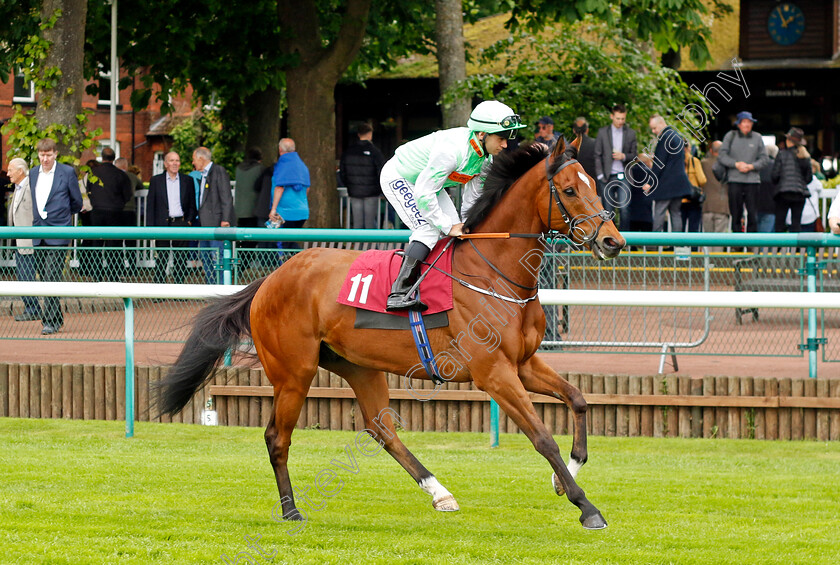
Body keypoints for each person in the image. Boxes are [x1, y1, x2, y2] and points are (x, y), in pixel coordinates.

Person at [379, 99, 526, 311]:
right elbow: (423, 191)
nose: (505, 145)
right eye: (502, 138)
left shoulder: (485, 160)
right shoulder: (451, 151)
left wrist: (467, 226)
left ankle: (439, 285)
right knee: (428, 229)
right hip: (400, 177)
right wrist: (446, 226)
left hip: (428, 185)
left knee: (457, 228)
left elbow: (472, 199)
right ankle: (399, 292)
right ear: (482, 134)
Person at [29, 137, 83, 335]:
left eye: (48, 155)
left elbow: (76, 202)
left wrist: (63, 216)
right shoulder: (33, 172)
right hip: (39, 231)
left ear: (55, 154)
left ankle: (50, 321)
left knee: (52, 275)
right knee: (44, 278)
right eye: (42, 155)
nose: (45, 159)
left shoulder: (67, 172)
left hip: (59, 232)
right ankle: (56, 317)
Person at [146, 151, 197, 284]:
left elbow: (192, 204)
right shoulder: (156, 180)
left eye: (177, 160)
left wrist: (189, 221)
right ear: (165, 164)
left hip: (181, 223)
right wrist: (150, 229)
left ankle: (179, 290)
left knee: (181, 259)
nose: (175, 163)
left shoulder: (188, 180)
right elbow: (151, 206)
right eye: (172, 160)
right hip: (162, 224)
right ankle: (159, 290)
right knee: (161, 259)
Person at [717, 111, 769, 233]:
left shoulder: (757, 137)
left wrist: (752, 166)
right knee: (735, 214)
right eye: (744, 122)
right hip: (734, 180)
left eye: (749, 122)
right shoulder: (730, 136)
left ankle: (751, 244)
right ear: (738, 124)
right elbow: (722, 155)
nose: (747, 125)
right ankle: (737, 244)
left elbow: (765, 158)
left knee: (753, 214)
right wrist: (736, 164)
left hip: (752, 181)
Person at [639, 115, 693, 232]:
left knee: (659, 212)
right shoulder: (677, 136)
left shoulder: (665, 138)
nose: (654, 132)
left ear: (660, 124)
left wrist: (649, 183)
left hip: (666, 184)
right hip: (679, 184)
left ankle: (655, 245)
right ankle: (677, 245)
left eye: (654, 128)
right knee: (676, 214)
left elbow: (659, 163)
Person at [87, 147, 132, 280]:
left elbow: (89, 190)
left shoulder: (93, 173)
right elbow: (127, 195)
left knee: (97, 243)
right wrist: (118, 204)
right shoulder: (120, 174)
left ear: (102, 157)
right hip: (115, 212)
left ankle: (96, 274)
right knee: (114, 244)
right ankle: (113, 275)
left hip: (97, 211)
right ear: (113, 158)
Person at [6, 158, 41, 322]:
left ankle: (33, 309)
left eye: (10, 170)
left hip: (30, 241)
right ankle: (32, 308)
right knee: (23, 275)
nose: (8, 174)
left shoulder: (30, 187)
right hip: (20, 240)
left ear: (20, 171)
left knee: (26, 275)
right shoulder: (19, 187)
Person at [193, 146, 235, 284]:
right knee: (206, 256)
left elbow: (226, 197)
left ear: (201, 158)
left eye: (194, 159)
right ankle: (212, 287)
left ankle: (220, 289)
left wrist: (225, 219)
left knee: (218, 257)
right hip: (205, 224)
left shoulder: (218, 171)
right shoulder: (204, 174)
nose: (193, 163)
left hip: (216, 223)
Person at [594, 104, 638, 230]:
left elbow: (634, 156)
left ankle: (624, 238)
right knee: (608, 210)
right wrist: (600, 175)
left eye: (623, 119)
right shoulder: (602, 133)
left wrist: (623, 156)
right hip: (607, 177)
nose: (620, 122)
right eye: (618, 118)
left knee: (624, 208)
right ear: (612, 116)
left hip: (624, 176)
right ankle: (610, 240)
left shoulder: (630, 133)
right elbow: (597, 155)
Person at [339, 123, 386, 229]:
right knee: (370, 223)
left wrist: (349, 185)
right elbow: (382, 171)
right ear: (370, 134)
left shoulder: (348, 151)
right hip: (371, 193)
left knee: (357, 223)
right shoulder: (375, 151)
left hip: (354, 191)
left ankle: (358, 245)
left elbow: (342, 172)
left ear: (358, 134)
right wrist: (379, 189)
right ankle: (371, 245)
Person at [269, 138, 310, 252]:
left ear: (280, 149)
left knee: (283, 243)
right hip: (302, 212)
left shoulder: (283, 164)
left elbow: (279, 187)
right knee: (290, 242)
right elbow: (307, 187)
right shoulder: (302, 166)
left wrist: (273, 209)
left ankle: (293, 265)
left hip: (285, 213)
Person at [772, 128, 812, 233]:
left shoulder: (781, 154)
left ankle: (779, 248)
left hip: (783, 193)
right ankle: (796, 249)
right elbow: (809, 178)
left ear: (789, 141)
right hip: (800, 194)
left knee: (779, 224)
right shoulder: (805, 156)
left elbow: (774, 176)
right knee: (796, 224)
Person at [701, 141, 730, 241]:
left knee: (708, 239)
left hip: (706, 205)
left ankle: (707, 257)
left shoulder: (703, 164)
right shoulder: (728, 166)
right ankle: (717, 257)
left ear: (710, 150)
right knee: (719, 239)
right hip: (722, 206)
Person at [234, 147, 263, 230]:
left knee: (242, 236)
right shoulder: (260, 169)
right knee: (253, 237)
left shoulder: (238, 169)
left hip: (239, 210)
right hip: (253, 209)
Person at [681, 142, 706, 233]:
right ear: (689, 148)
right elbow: (702, 180)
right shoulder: (694, 161)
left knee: (680, 227)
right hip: (693, 198)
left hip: (680, 198)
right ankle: (693, 247)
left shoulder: (675, 161)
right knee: (694, 227)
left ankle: (678, 246)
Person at [757, 144, 778, 233]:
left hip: (757, 204)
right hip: (772, 205)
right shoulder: (777, 166)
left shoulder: (758, 166)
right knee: (768, 234)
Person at [798, 160, 823, 232]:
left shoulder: (795, 178)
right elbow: (820, 187)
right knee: (809, 240)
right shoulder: (814, 179)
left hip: (794, 216)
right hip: (810, 215)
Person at [572, 116, 597, 181]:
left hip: (575, 183)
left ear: (574, 130)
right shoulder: (596, 144)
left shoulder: (569, 146)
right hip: (593, 183)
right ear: (587, 130)